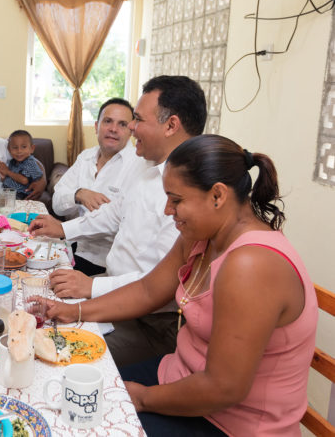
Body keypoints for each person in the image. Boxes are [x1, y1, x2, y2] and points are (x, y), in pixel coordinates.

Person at [43, 134, 317, 437]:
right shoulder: (203, 235)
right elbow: (149, 290)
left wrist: (142, 397)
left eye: (176, 200)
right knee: (65, 392)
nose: (167, 211)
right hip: (178, 376)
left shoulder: (251, 265)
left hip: (230, 421)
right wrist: (75, 312)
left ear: (218, 195)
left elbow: (223, 388)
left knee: (81, 421)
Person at [30, 75, 206, 366]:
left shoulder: (191, 193)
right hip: (115, 288)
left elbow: (155, 286)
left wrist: (90, 289)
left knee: (55, 351)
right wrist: (63, 228)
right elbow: (114, 213)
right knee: (40, 305)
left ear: (171, 125)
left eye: (137, 119)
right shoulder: (145, 166)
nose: (131, 128)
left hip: (151, 321)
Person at [52, 98, 146, 276]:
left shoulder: (139, 165)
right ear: (96, 126)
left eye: (122, 124)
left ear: (131, 130)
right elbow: (57, 203)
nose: (113, 129)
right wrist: (79, 194)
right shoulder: (85, 157)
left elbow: (115, 222)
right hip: (72, 250)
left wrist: (64, 229)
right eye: (108, 121)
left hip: (105, 264)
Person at [0, 129, 43, 199]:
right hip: (7, 192)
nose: (19, 151)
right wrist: (3, 176)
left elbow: (24, 180)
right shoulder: (12, 162)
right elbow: (11, 178)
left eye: (24, 147)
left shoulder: (30, 162)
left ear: (32, 149)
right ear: (9, 149)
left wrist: (7, 172)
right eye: (15, 148)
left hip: (20, 194)